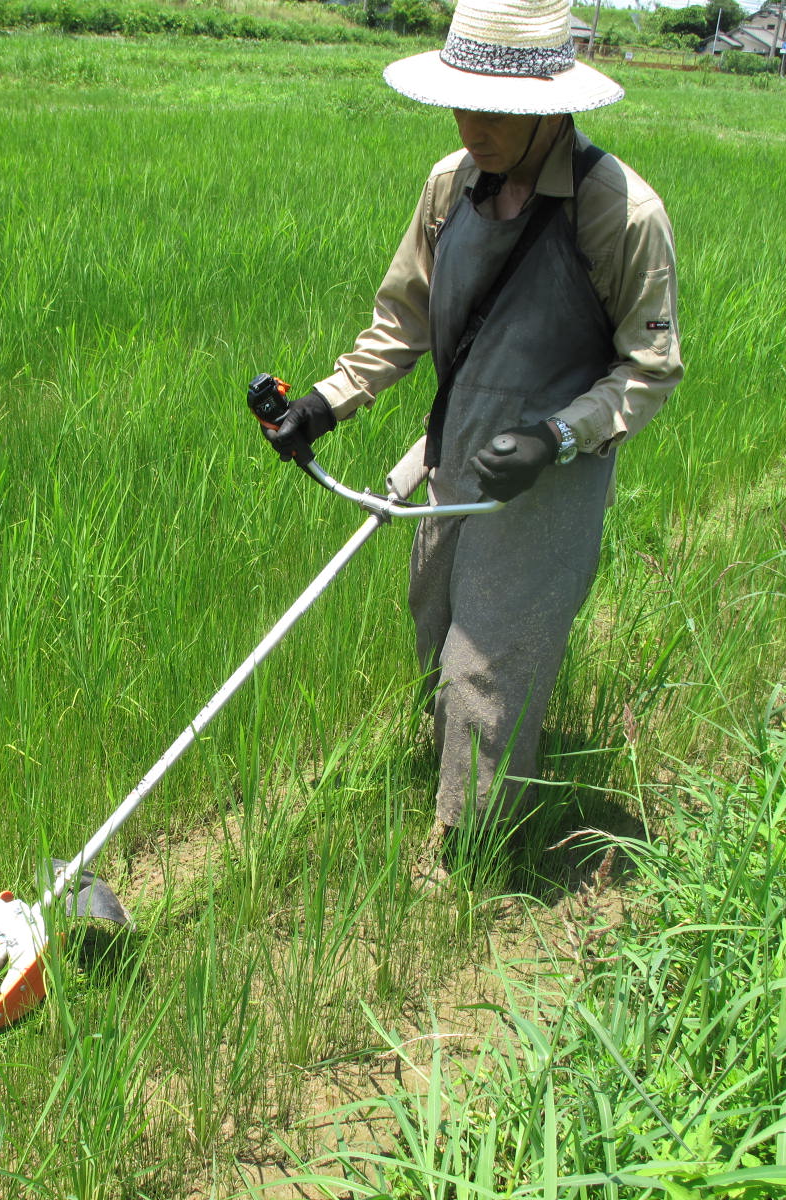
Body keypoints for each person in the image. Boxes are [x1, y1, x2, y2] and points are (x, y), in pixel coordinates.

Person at [263, 0, 684, 883]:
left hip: (547, 481)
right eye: (461, 103)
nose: (471, 126)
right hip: (452, 454)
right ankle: (453, 782)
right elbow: (403, 318)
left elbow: (649, 370)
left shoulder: (619, 211)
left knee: (488, 664)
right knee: (436, 627)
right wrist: (327, 403)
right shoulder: (451, 183)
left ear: (549, 106)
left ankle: (469, 857)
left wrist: (557, 436)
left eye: (493, 109)